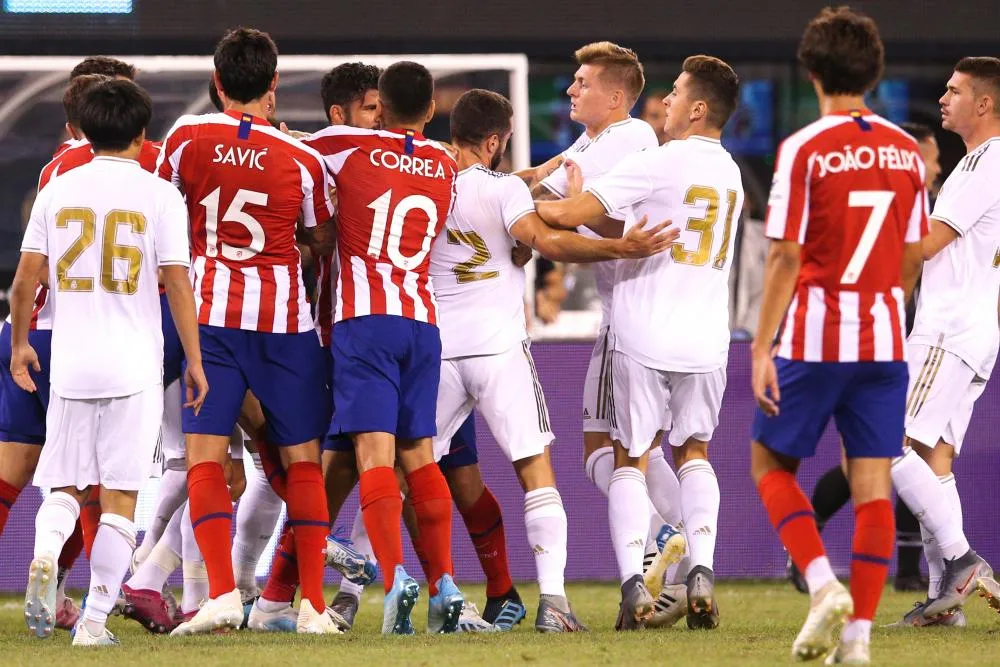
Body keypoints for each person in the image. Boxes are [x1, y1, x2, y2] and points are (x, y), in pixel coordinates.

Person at [432, 88, 677, 633]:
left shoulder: (426, 179)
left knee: (412, 472)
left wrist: (530, 174)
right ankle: (554, 604)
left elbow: (487, 187)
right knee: (535, 471)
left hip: (439, 350)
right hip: (499, 347)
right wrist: (621, 247)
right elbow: (546, 238)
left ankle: (386, 594)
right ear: (495, 140)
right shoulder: (501, 193)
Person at [537, 54, 742, 632]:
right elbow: (635, 231)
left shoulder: (657, 161)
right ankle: (700, 569)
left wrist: (510, 210)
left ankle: (633, 583)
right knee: (695, 452)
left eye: (675, 94)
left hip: (644, 332)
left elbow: (573, 211)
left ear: (697, 107)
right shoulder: (727, 172)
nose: (666, 103)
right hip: (707, 337)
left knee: (629, 456)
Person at [749, 8, 928, 664]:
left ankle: (823, 584)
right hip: (885, 337)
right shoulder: (908, 152)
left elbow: (784, 256)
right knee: (873, 481)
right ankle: (858, 642)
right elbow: (913, 254)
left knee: (770, 464)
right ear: (874, 72)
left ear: (813, 71)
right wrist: (886, 303)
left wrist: (763, 345)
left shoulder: (806, 148)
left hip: (817, 335)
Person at [158, 27, 339, 636]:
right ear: (273, 85)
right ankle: (312, 604)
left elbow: (160, 205)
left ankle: (220, 595)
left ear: (216, 83)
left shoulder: (186, 137)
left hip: (210, 320)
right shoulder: (304, 159)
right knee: (303, 462)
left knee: (205, 458)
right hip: (285, 325)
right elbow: (320, 239)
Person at [13, 78, 206, 646]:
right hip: (133, 367)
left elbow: (27, 278)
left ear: (84, 130)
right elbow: (176, 283)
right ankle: (93, 623)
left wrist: (23, 343)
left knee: (66, 487)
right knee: (120, 495)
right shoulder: (159, 194)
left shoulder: (56, 191)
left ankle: (47, 551)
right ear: (143, 134)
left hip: (71, 363)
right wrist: (193, 360)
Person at [519, 41, 690, 622]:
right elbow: (535, 191)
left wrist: (529, 201)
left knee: (621, 455)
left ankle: (658, 551)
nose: (570, 89)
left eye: (582, 81)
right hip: (622, 314)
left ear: (615, 96)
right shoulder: (594, 140)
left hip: (636, 316)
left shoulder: (631, 139)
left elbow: (556, 211)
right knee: (611, 453)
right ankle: (676, 539)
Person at [304, 60, 465, 635]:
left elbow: (295, 150)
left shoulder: (344, 150)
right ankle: (446, 583)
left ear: (381, 106)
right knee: (419, 455)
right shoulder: (446, 164)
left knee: (374, 457)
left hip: (364, 320)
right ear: (429, 109)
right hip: (422, 322)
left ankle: (397, 577)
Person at [0, 61, 150, 634]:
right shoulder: (138, 171)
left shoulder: (53, 173)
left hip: (32, 331)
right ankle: (98, 602)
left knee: (18, 469)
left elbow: (27, 275)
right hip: (98, 337)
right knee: (104, 482)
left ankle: (59, 587)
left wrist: (16, 342)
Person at [788, 121, 944, 602]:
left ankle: (909, 570)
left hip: (900, 336)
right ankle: (920, 565)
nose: (937, 168)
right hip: (888, 336)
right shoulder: (904, 204)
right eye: (930, 158)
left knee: (894, 453)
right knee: (886, 455)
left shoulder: (923, 200)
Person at [890, 56, 1000, 622]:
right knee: (934, 459)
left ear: (984, 103)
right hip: (973, 327)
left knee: (886, 439)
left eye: (954, 91)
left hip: (948, 328)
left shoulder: (986, 161)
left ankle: (961, 561)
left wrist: (857, 263)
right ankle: (944, 602)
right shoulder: (978, 162)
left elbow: (930, 241)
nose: (943, 98)